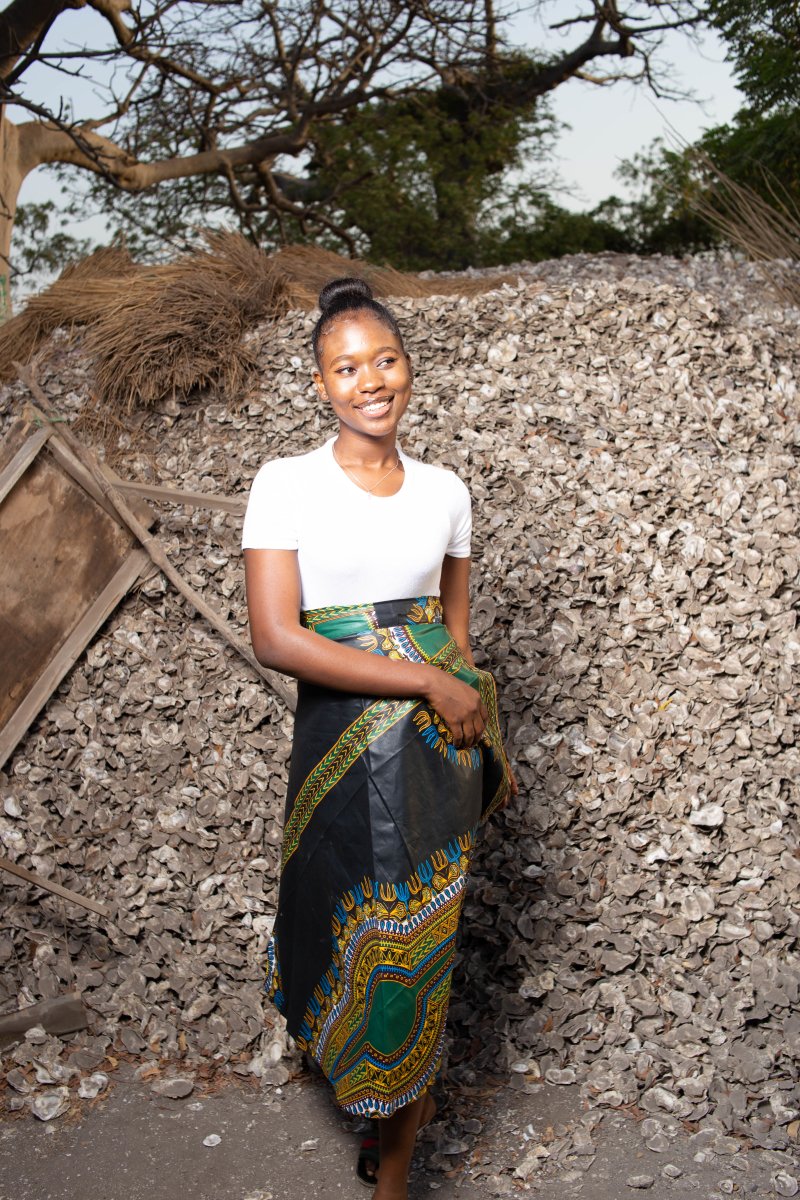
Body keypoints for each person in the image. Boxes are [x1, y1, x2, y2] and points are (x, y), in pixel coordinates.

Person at [242, 277, 513, 1199]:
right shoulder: (285, 483)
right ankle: (380, 1101)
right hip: (340, 742)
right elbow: (279, 638)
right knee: (333, 915)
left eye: (385, 360)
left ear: (409, 368)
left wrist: (464, 708)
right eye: (346, 367)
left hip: (436, 755)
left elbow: (457, 632)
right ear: (321, 384)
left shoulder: (446, 490)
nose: (370, 381)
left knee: (413, 944)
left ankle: (395, 1165)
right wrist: (424, 678)